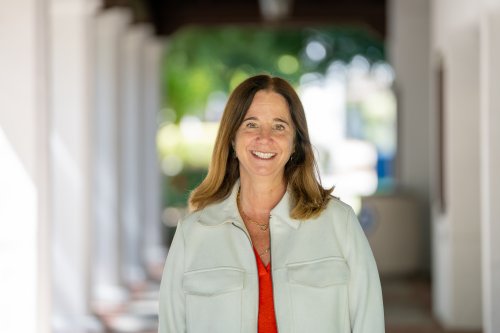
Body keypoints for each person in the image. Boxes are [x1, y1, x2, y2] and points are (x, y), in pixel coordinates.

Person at [158, 74, 384, 333]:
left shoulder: (339, 223)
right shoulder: (193, 233)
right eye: (251, 124)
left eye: (279, 126)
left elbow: (370, 324)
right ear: (232, 138)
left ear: (295, 143)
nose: (264, 138)